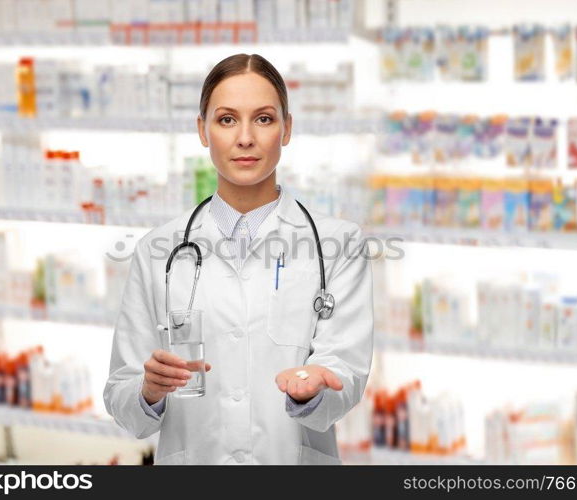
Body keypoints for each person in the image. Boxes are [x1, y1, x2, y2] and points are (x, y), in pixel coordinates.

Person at [103, 53, 374, 465]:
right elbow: (123, 399)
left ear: (286, 129)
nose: (245, 138)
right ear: (202, 130)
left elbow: (346, 374)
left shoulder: (338, 244)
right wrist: (148, 390)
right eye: (227, 119)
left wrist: (316, 386)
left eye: (263, 119)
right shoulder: (158, 250)